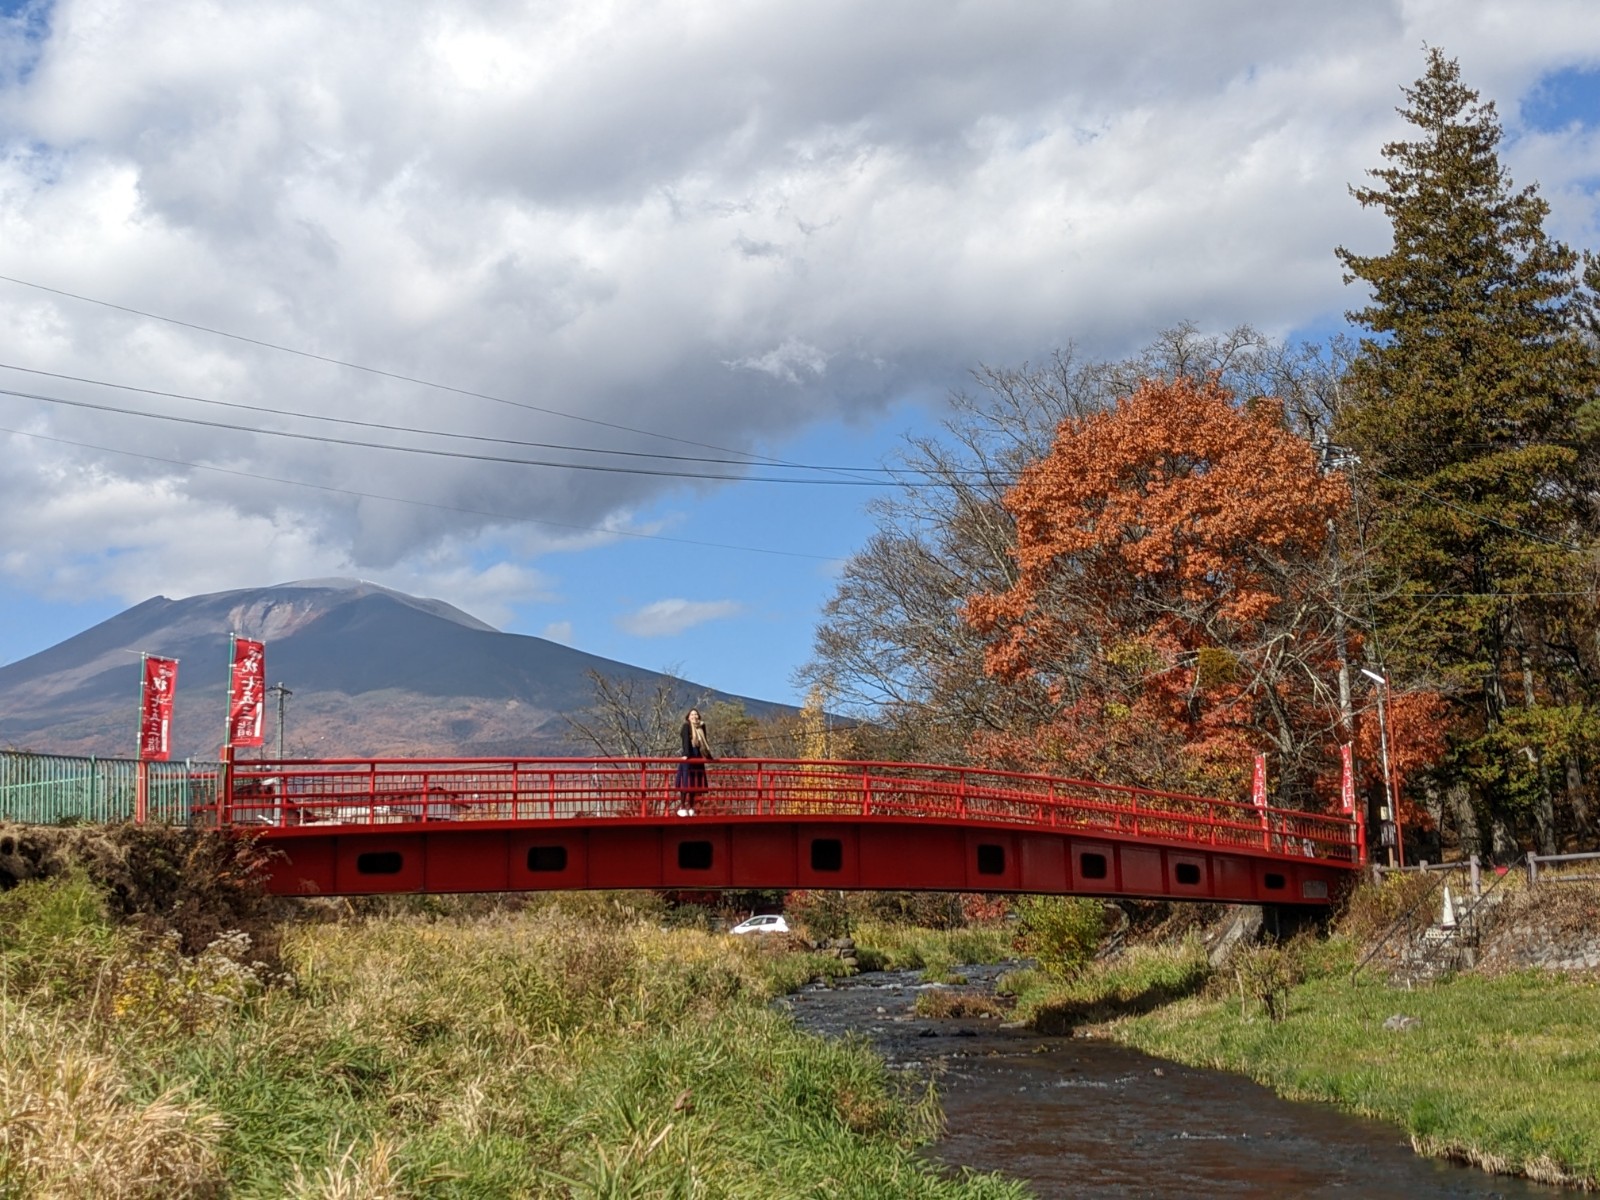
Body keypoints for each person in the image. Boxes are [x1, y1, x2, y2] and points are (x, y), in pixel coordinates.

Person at [675, 708, 714, 816]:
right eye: (692, 714)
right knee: (685, 782)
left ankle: (691, 807)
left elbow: (704, 742)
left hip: (698, 754)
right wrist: (686, 754)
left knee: (694, 782)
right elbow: (685, 741)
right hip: (689, 755)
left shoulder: (702, 726)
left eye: (696, 714)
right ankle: (682, 806)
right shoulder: (686, 726)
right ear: (688, 716)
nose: (694, 716)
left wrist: (708, 755)